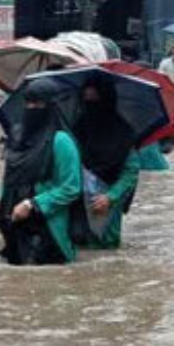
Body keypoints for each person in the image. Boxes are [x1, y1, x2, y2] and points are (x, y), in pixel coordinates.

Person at [0, 77, 82, 266]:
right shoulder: (18, 137)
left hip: (48, 229)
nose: (31, 107)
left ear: (51, 106)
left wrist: (32, 204)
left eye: (38, 103)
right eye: (28, 102)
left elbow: (71, 187)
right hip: (14, 224)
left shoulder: (61, 142)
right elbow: (9, 178)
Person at [70, 77, 140, 250]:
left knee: (105, 248)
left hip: (108, 203)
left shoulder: (123, 132)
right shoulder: (77, 127)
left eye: (95, 100)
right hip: (78, 202)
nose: (91, 106)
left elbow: (131, 172)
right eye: (86, 101)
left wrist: (110, 197)